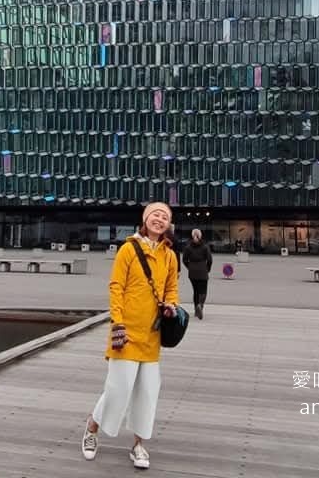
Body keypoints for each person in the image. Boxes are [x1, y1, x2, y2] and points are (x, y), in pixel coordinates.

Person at [82, 201, 180, 470]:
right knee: (118, 388)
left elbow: (172, 288)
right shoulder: (128, 249)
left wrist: (171, 305)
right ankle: (92, 428)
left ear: (168, 224)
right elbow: (116, 287)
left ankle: (138, 445)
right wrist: (117, 322)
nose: (159, 219)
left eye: (164, 217)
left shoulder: (169, 255)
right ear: (145, 219)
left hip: (152, 333)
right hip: (125, 331)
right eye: (155, 215)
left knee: (147, 392)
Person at [182, 229, 213, 319]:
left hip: (192, 272)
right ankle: (200, 305)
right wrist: (208, 269)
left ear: (192, 236)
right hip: (202, 270)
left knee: (195, 291)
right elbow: (210, 260)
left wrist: (189, 267)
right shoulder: (205, 246)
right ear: (201, 236)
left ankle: (196, 310)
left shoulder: (188, 247)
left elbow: (184, 260)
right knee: (203, 290)